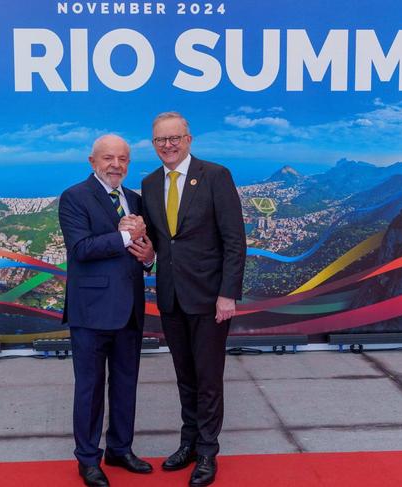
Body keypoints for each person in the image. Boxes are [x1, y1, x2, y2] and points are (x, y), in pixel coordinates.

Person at [139, 112, 246, 486]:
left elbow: (234, 241)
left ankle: (207, 452)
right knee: (185, 377)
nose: (167, 145)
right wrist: (145, 255)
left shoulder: (216, 176)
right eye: (160, 140)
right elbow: (156, 241)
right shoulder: (149, 183)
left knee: (208, 378)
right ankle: (187, 443)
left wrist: (227, 295)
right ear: (153, 145)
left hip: (210, 298)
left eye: (174, 138)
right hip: (170, 297)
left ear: (189, 139)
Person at [59, 134, 155, 487]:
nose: (116, 165)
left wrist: (149, 257)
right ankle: (87, 459)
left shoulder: (134, 199)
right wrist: (127, 237)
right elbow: (81, 248)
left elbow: (145, 249)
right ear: (92, 161)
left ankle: (120, 449)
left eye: (123, 159)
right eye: (109, 158)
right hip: (91, 311)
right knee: (90, 386)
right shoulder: (74, 197)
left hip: (130, 309)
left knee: (126, 384)